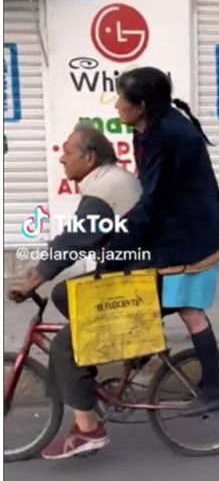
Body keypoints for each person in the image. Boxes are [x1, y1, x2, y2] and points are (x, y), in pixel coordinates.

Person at [102, 67, 219, 419]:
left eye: (121, 99)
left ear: (141, 104)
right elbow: (150, 192)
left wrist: (116, 250)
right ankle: (140, 357)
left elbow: (155, 202)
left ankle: (215, 388)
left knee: (186, 308)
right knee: (147, 295)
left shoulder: (169, 134)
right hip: (177, 228)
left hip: (189, 237)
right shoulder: (148, 129)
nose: (116, 105)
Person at [9, 124, 143, 459]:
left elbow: (76, 240)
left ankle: (89, 431)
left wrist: (34, 279)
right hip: (128, 276)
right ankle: (89, 363)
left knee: (65, 349)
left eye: (68, 152)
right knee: (62, 294)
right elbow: (75, 236)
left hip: (131, 283)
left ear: (90, 156)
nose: (62, 159)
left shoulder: (104, 186)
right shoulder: (108, 180)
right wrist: (40, 270)